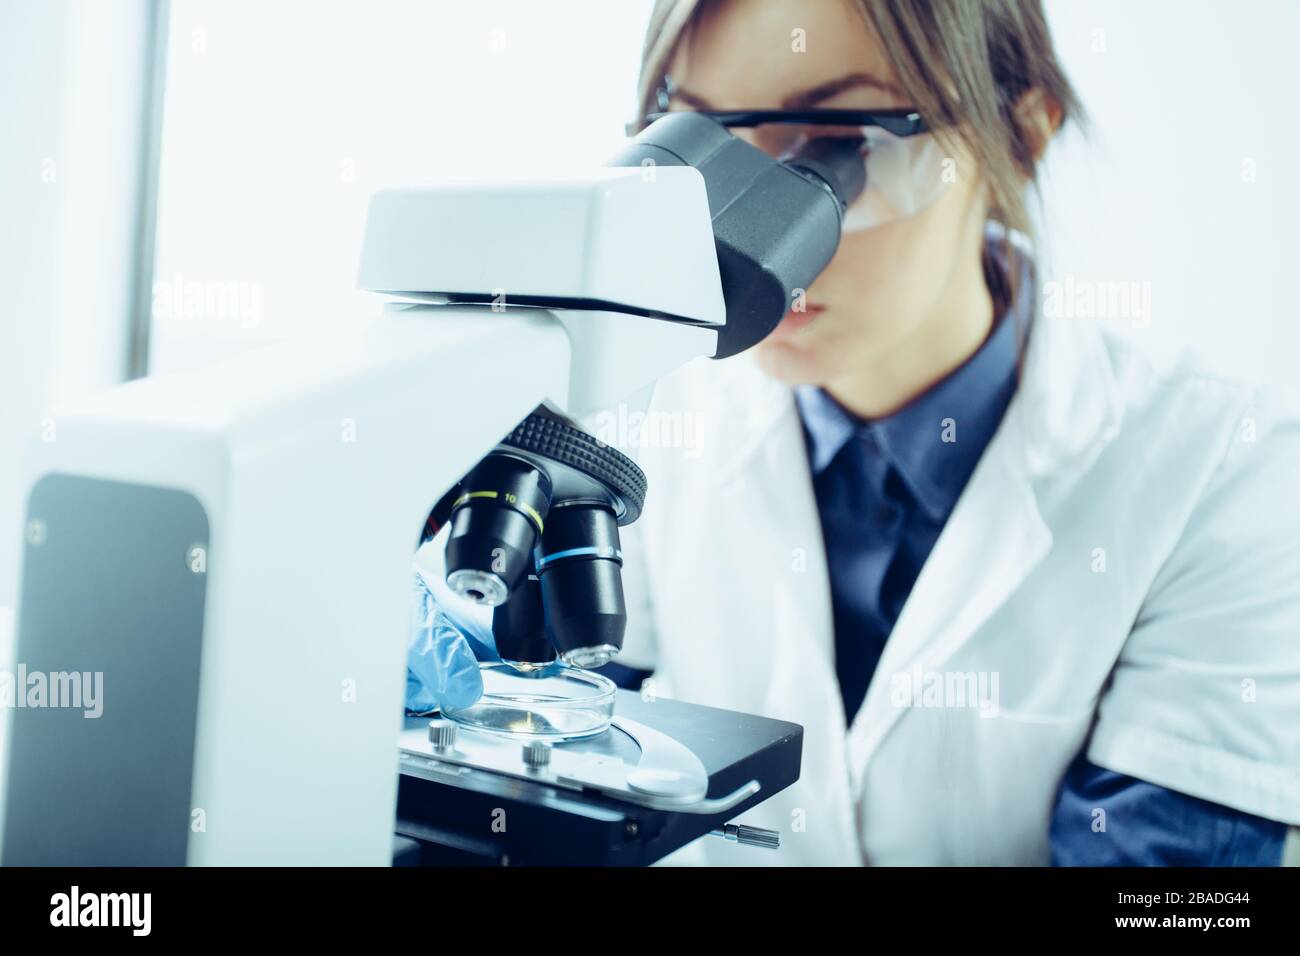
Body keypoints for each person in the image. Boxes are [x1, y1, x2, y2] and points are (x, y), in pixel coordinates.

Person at [408, 0, 1300, 865]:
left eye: (833, 148)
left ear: (1020, 136)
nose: (739, 241)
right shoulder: (638, 428)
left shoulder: (1225, 477)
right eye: (703, 147)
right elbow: (570, 786)